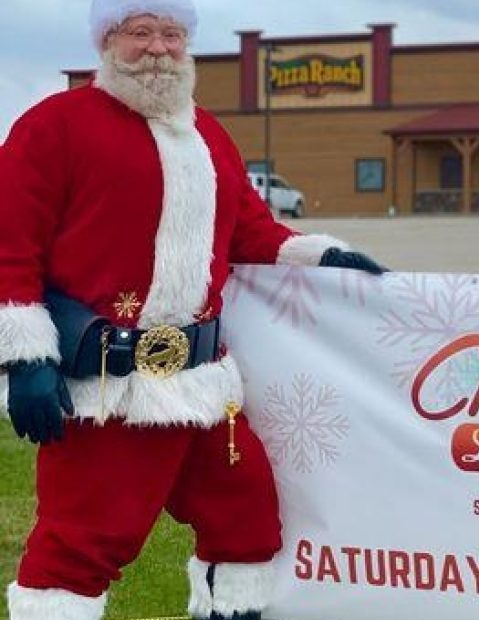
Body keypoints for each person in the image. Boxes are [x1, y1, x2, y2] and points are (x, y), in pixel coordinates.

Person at [0, 1, 385, 619]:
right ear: (107, 42)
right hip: (109, 390)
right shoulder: (53, 127)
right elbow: (8, 243)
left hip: (203, 387)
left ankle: (229, 611)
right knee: (82, 543)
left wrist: (323, 257)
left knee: (247, 514)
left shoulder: (209, 135)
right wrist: (25, 357)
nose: (158, 48)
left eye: (172, 34)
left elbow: (252, 233)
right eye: (139, 32)